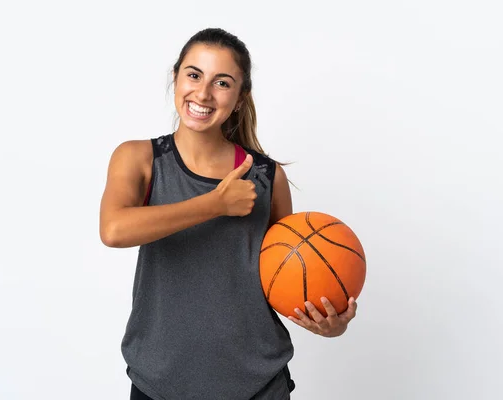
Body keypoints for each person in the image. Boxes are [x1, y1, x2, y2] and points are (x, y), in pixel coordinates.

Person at [99, 27, 358, 400]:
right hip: (160, 383)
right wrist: (215, 204)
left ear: (239, 98)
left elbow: (287, 276)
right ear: (175, 78)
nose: (202, 93)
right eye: (193, 75)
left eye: (222, 83)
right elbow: (113, 229)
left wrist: (328, 322)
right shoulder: (139, 158)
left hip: (258, 384)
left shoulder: (268, 177)